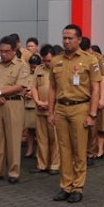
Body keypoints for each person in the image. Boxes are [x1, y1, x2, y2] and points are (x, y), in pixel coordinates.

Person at [48, 24, 102, 203]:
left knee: (79, 150)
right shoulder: (56, 60)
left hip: (80, 108)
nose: (66, 41)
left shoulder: (89, 60)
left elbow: (95, 88)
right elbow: (52, 88)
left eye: (70, 38)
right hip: (61, 108)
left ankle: (78, 187)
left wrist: (92, 114)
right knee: (64, 150)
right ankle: (66, 186)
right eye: (64, 38)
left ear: (79, 39)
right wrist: (51, 112)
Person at [0, 36, 32, 184]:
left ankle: (14, 172)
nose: (3, 54)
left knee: (13, 139)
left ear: (14, 51)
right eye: (1, 51)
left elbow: (20, 86)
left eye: (7, 51)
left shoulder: (21, 65)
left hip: (13, 103)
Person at [29, 46, 57, 174]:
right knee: (41, 138)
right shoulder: (39, 69)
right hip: (40, 109)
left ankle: (55, 165)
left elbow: (60, 90)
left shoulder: (58, 69)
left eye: (49, 60)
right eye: (44, 60)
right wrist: (37, 101)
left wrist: (49, 103)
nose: (47, 63)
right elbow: (34, 87)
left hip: (54, 110)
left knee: (55, 138)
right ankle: (42, 164)